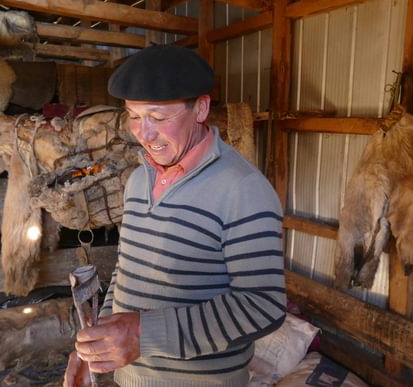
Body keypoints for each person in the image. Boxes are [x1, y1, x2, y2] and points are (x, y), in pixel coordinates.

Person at [64, 44, 286, 387]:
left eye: (159, 117)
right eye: (134, 116)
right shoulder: (138, 180)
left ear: (200, 108)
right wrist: (97, 347)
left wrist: (142, 334)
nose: (144, 133)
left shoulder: (242, 189)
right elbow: (128, 271)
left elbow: (263, 306)